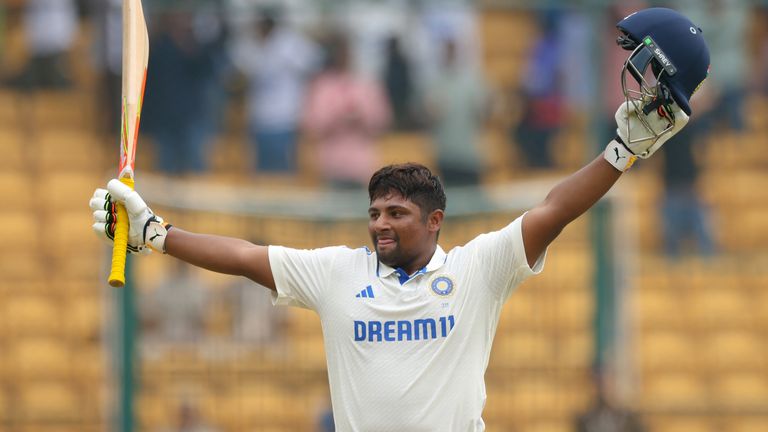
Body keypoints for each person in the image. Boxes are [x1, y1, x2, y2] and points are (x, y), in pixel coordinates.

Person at [90, 8, 709, 431]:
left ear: (435, 220)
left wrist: (620, 154)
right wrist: (156, 235)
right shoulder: (338, 272)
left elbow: (554, 210)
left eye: (397, 213)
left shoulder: (478, 270)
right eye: (374, 213)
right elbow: (248, 256)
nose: (380, 224)